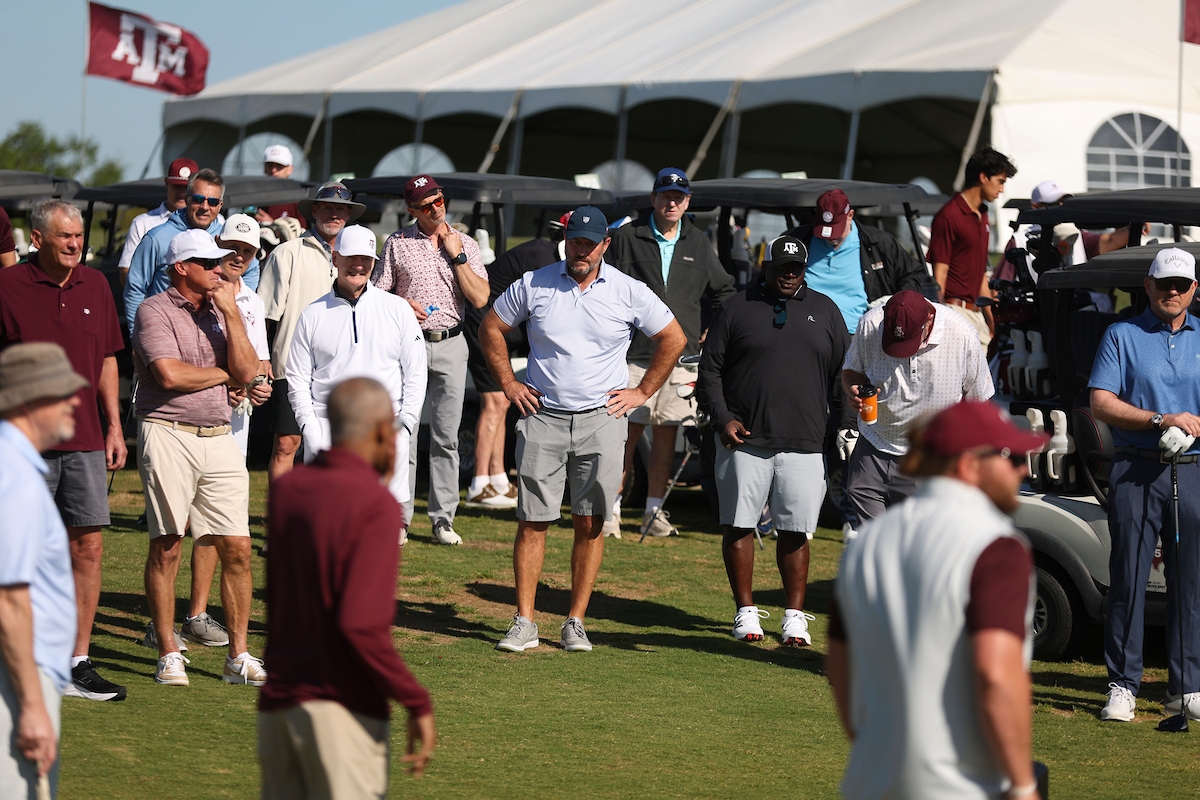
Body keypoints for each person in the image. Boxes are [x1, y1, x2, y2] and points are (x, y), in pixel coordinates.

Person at [480, 206, 685, 653]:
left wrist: (642, 392)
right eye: (575, 242)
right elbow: (491, 327)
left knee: (590, 522)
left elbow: (674, 338)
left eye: (590, 244)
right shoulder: (534, 282)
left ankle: (575, 622)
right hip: (542, 417)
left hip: (602, 420)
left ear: (605, 246)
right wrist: (509, 383)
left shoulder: (629, 291)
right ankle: (524, 621)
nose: (581, 251)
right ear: (566, 239)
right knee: (533, 521)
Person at [827, 400, 1045, 800]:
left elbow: (840, 664)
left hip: (868, 783)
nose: (1023, 470)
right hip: (963, 788)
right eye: (1010, 456)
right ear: (967, 465)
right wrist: (1023, 783)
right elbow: (996, 677)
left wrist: (876, 749)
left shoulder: (866, 543)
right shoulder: (996, 546)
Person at [259, 377, 436, 798]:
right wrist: (414, 699)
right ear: (381, 431)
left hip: (279, 704)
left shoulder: (287, 492)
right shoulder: (374, 505)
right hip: (342, 709)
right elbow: (359, 624)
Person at [0, 200, 128, 703]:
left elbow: (107, 362)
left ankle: (76, 661)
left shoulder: (96, 285)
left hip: (86, 442)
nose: (75, 244)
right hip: (20, 446)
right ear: (37, 239)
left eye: (79, 236)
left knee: (88, 548)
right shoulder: (6, 288)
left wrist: (115, 426)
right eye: (64, 237)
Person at [696, 235, 849, 646]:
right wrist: (723, 418)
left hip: (806, 439)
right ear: (766, 266)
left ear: (804, 270)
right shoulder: (736, 308)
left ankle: (795, 617)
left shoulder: (826, 311)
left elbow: (843, 376)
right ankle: (745, 612)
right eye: (781, 267)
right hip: (743, 439)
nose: (788, 275)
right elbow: (709, 370)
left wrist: (846, 424)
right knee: (739, 525)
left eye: (795, 269)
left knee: (796, 530)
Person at [132, 228, 265, 687]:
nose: (219, 269)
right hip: (167, 431)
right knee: (168, 545)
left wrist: (230, 313)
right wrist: (225, 373)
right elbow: (169, 375)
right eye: (208, 263)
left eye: (219, 263)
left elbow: (248, 373)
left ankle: (238, 656)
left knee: (239, 547)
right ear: (181, 268)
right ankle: (169, 650)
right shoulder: (154, 310)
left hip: (219, 434)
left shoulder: (223, 310)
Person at [1090, 246, 1200, 722]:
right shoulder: (1122, 334)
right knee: (1130, 580)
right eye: (1164, 284)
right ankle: (1123, 685)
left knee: (1191, 583)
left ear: (1195, 290)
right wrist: (1161, 419)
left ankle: (1187, 687)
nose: (1172, 292)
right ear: (1148, 287)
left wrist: (1192, 424)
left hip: (1194, 468)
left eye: (1182, 285)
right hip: (1136, 468)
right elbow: (1101, 401)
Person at [607, 167, 735, 538]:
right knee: (625, 438)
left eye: (678, 198)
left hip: (679, 359)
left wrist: (715, 329)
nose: (671, 203)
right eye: (665, 196)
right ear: (654, 199)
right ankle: (612, 511)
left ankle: (653, 513)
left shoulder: (698, 241)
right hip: (633, 356)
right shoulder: (628, 236)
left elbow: (724, 290)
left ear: (688, 202)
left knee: (665, 437)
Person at [286, 225, 427, 541]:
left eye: (366, 259)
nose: (359, 266)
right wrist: (309, 425)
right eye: (351, 258)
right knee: (327, 526)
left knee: (377, 534)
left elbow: (416, 371)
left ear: (375, 263)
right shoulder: (312, 314)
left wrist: (405, 424)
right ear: (335, 258)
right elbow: (297, 376)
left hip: (383, 431)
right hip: (326, 429)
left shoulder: (397, 310)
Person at [373, 175, 490, 545]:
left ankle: (443, 519)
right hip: (409, 343)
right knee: (404, 432)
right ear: (412, 211)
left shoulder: (465, 243)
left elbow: (481, 297)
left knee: (447, 436)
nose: (436, 208)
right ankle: (400, 518)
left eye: (439, 200)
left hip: (453, 343)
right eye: (426, 205)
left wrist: (456, 255)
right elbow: (376, 295)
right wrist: (401, 303)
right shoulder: (397, 243)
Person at [0, 343, 90, 797]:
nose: (76, 400)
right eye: (63, 392)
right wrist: (32, 705)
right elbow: (8, 600)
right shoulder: (13, 476)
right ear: (29, 399)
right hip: (16, 678)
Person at [840, 290, 993, 525]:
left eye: (907, 341)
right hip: (873, 444)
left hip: (928, 457)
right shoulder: (870, 323)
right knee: (875, 542)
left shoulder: (961, 333)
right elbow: (851, 370)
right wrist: (854, 390)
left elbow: (980, 401)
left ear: (929, 319)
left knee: (919, 545)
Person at [258, 182, 363, 488]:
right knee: (287, 445)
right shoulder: (286, 254)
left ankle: (320, 524)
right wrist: (262, 359)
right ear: (314, 211)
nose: (334, 214)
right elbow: (265, 316)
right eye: (328, 207)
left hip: (342, 369)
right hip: (293, 368)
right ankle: (281, 527)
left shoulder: (359, 259)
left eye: (341, 209)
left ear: (348, 215)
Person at [462, 233, 561, 510]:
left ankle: (498, 479)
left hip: (497, 325)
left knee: (501, 403)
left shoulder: (550, 255)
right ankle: (479, 484)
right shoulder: (542, 257)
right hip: (482, 323)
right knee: (493, 403)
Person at [125, 168, 260, 331]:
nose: (205, 207)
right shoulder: (157, 238)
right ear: (187, 199)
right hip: (166, 331)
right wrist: (137, 336)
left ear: (220, 205)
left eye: (212, 202)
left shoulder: (226, 238)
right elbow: (135, 289)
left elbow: (251, 266)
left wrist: (240, 303)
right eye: (198, 199)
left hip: (213, 336)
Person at [788, 187, 932, 334]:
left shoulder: (878, 243)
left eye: (836, 231)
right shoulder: (797, 241)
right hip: (803, 332)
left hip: (855, 334)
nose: (830, 238)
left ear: (850, 215)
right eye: (824, 231)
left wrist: (896, 306)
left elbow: (913, 274)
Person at [928, 147, 1018, 347]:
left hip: (977, 315)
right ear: (984, 177)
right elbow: (939, 275)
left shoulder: (983, 214)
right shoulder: (949, 216)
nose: (1002, 189)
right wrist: (941, 319)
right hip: (954, 312)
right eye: (1000, 181)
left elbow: (978, 275)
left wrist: (991, 318)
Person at [216, 214, 274, 458]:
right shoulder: (200, 291)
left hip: (238, 417)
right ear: (217, 243)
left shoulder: (255, 302)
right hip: (200, 410)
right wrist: (222, 386)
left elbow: (260, 362)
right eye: (232, 247)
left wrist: (260, 387)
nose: (239, 256)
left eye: (247, 251)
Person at [116, 157, 198, 286]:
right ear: (167, 183)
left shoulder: (213, 223)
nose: (182, 193)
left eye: (187, 187)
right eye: (177, 186)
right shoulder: (142, 223)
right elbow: (127, 271)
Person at [254, 144, 307, 229]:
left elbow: (302, 234)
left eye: (279, 166)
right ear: (264, 168)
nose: (273, 170)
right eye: (270, 165)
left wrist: (273, 224)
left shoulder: (298, 198)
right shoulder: (254, 195)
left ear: (290, 170)